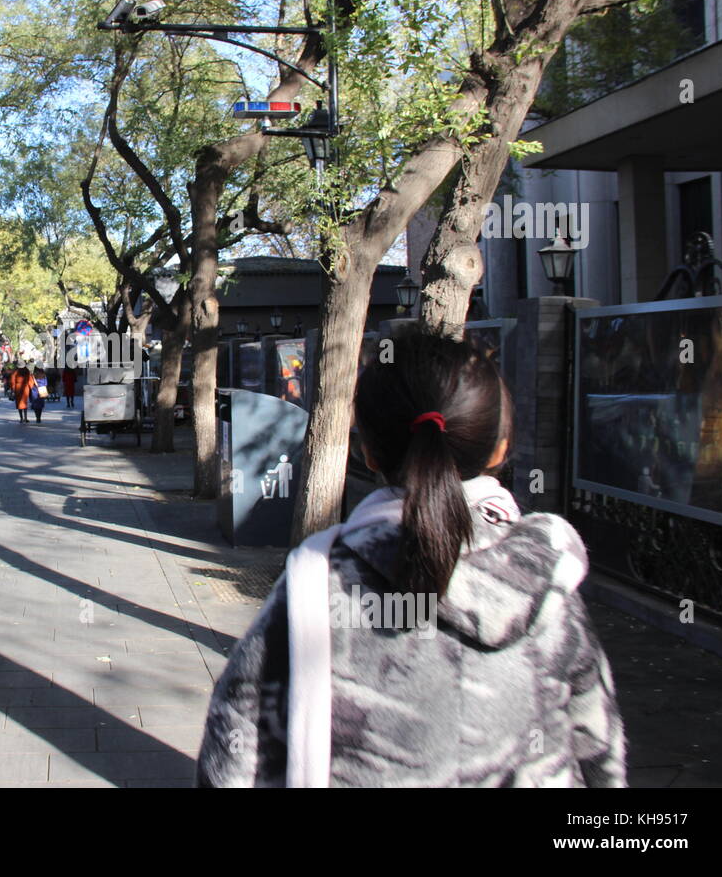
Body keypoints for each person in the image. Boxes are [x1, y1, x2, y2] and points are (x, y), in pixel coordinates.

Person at [196, 330, 625, 787]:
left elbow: (232, 754)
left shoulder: (315, 588)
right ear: (500, 448)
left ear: (370, 452)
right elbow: (600, 753)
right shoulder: (551, 590)